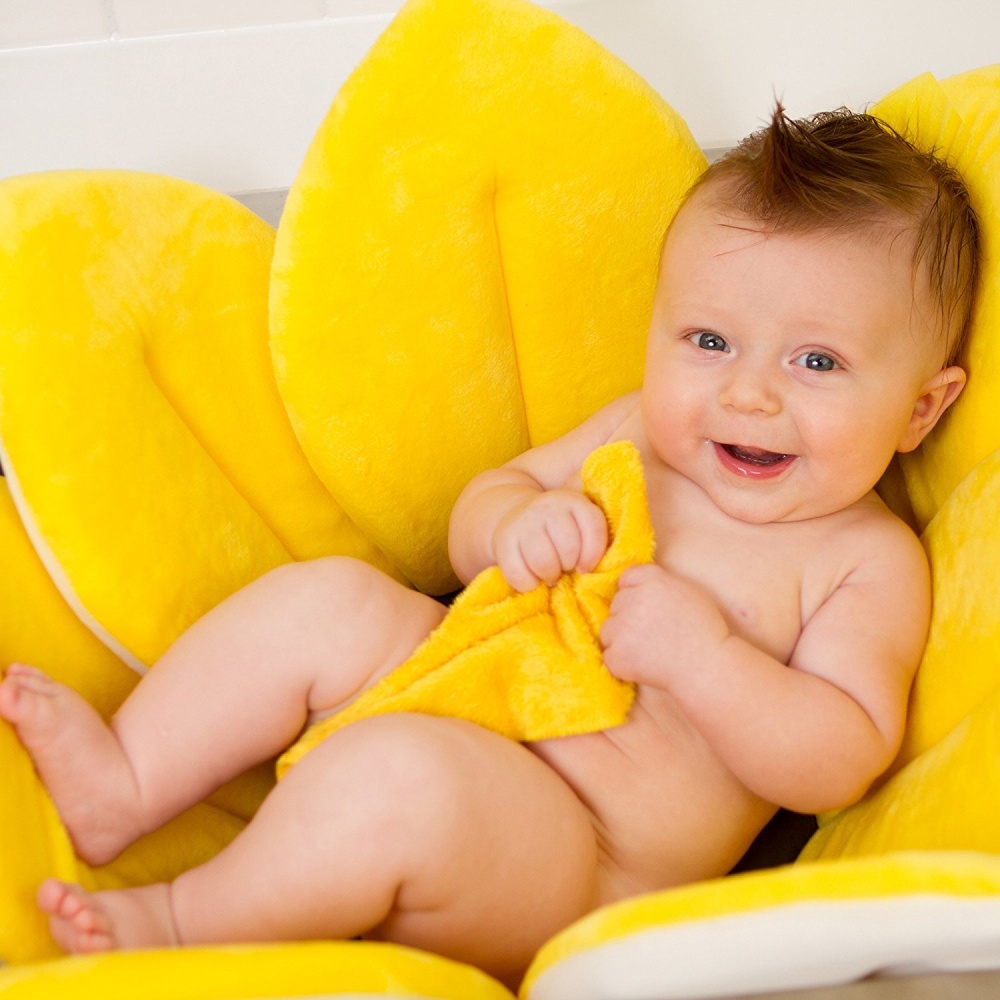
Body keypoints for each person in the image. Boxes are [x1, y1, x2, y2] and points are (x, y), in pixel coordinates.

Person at [0, 106, 980, 987]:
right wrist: (512, 521)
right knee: (330, 599)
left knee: (402, 778)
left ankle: (182, 921)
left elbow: (839, 756)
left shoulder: (861, 559)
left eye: (815, 360)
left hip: (571, 853)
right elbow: (479, 514)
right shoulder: (635, 429)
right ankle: (127, 781)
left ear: (920, 407)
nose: (748, 393)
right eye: (708, 341)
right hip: (450, 682)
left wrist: (706, 658)